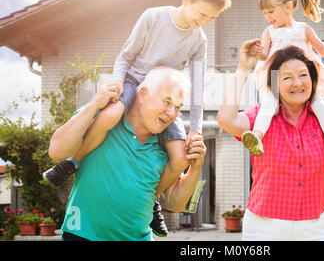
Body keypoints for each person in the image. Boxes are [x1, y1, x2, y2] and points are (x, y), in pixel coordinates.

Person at [43, 0, 231, 236]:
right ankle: (72, 162)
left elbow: (197, 91)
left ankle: (152, 200)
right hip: (133, 83)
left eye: (212, 18)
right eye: (202, 14)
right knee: (108, 117)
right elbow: (125, 56)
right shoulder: (153, 17)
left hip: (165, 93)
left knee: (179, 156)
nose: (205, 22)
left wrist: (195, 129)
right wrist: (118, 85)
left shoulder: (199, 40)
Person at [217, 24, 324, 241]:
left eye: (303, 75)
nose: (297, 83)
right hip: (264, 227)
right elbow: (226, 119)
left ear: (313, 80)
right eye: (286, 77)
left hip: (315, 227)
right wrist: (242, 69)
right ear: (274, 84)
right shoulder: (262, 118)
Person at [48, 67, 207, 241]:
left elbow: (175, 204)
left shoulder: (168, 145)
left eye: (177, 107)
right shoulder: (102, 116)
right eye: (167, 102)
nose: (171, 114)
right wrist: (94, 105)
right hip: (82, 236)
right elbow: (56, 151)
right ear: (143, 94)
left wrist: (196, 167)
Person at [241, 0, 324, 163]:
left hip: (303, 77)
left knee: (319, 106)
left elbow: (323, 50)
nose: (267, 17)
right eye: (265, 13)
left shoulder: (303, 29)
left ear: (288, 7)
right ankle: (257, 137)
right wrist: (256, 52)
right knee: (269, 102)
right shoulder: (269, 31)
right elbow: (264, 55)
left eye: (270, 11)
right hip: (277, 76)